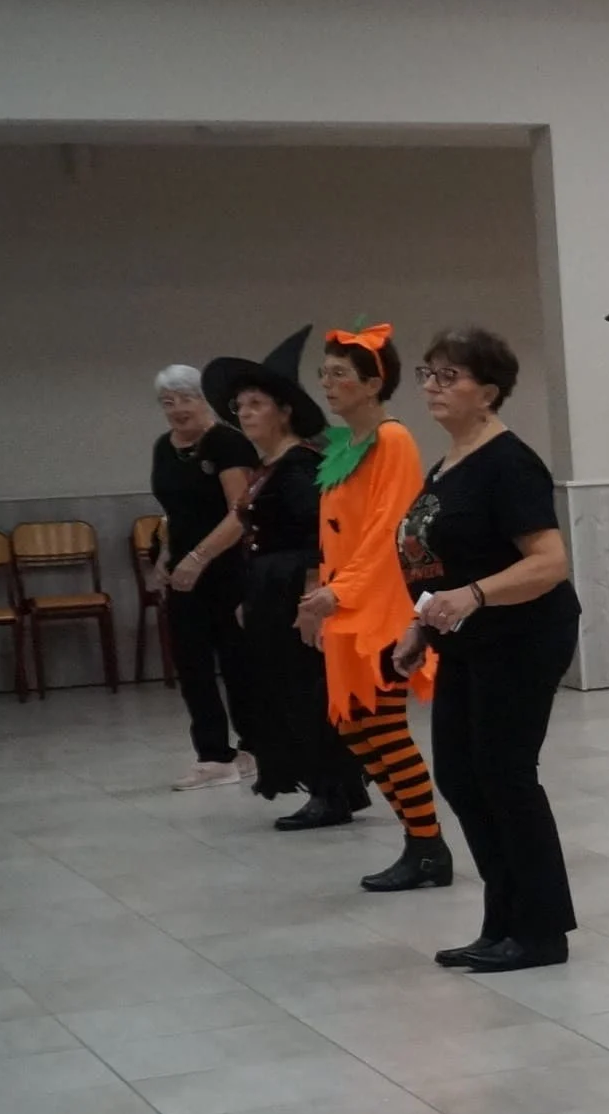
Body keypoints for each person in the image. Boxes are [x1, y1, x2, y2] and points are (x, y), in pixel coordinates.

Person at [390, 327, 578, 972]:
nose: (433, 387)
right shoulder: (449, 462)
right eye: (429, 374)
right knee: (461, 775)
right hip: (469, 639)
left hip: (523, 635)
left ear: (489, 392)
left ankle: (541, 930)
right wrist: (421, 624)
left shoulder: (509, 462)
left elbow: (549, 562)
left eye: (450, 377)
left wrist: (473, 595)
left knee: (504, 775)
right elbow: (446, 561)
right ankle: (503, 920)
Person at [301, 323, 451, 894]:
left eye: (340, 373)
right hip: (345, 607)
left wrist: (341, 591)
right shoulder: (344, 447)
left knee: (384, 728)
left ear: (372, 383)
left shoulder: (393, 440)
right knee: (356, 728)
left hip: (380, 606)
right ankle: (419, 841)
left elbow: (390, 528)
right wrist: (322, 595)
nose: (327, 383)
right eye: (324, 373)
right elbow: (334, 535)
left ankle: (428, 845)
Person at [202, 335, 362, 827]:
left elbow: (322, 536)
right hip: (270, 590)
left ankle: (331, 791)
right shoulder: (267, 469)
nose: (246, 413)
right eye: (240, 406)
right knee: (285, 690)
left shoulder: (299, 466)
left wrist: (313, 598)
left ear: (284, 411)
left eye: (257, 404)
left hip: (296, 590)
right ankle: (327, 786)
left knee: (307, 691)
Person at [147, 364, 257, 789]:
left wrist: (199, 557)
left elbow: (240, 513)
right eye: (167, 401)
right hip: (183, 570)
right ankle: (213, 755)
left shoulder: (227, 443)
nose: (177, 408)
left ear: (204, 400)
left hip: (227, 567)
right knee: (191, 663)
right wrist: (167, 554)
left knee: (238, 663)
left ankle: (255, 746)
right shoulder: (164, 447)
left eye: (186, 398)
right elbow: (173, 511)